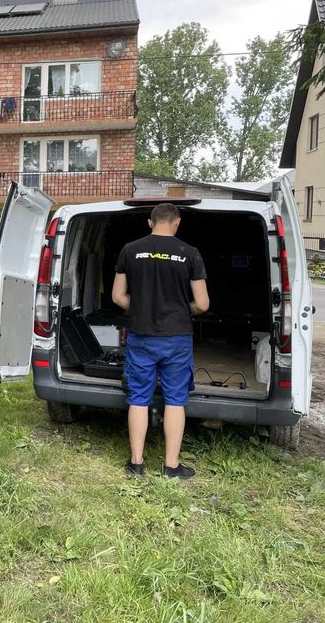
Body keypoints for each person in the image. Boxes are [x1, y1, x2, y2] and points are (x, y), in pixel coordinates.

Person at [111, 203, 209, 480]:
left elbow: (118, 297)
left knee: (139, 399)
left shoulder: (130, 250)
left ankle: (137, 465)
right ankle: (171, 467)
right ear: (177, 222)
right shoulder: (189, 253)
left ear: (149, 222)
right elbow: (202, 303)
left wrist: (143, 308)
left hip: (141, 335)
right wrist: (179, 309)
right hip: (177, 338)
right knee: (176, 401)